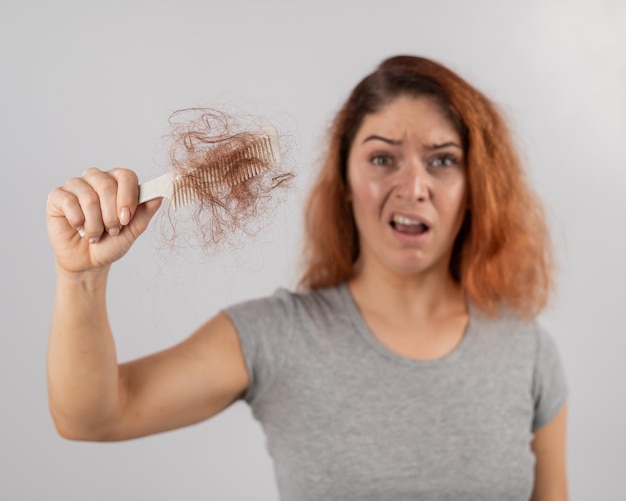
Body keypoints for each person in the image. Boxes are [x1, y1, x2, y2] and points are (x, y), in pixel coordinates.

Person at [46, 55, 568, 500]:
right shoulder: (279, 336)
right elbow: (92, 416)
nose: (413, 186)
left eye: (443, 160)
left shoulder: (527, 351)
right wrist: (81, 278)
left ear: (475, 187)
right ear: (344, 180)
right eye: (383, 157)